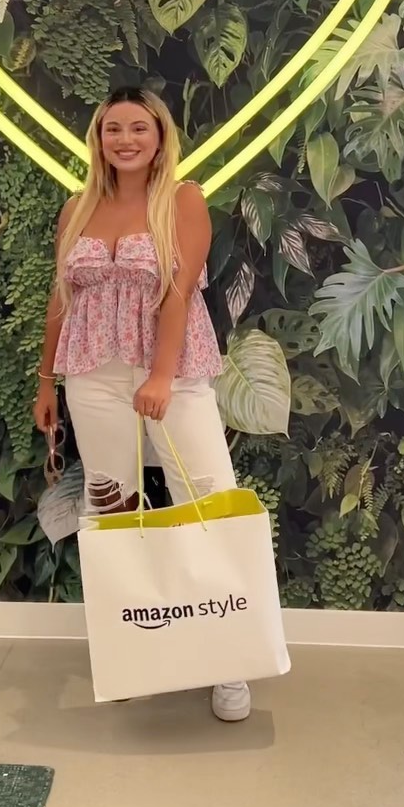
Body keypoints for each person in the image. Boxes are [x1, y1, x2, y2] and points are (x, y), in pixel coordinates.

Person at [34, 86, 251, 723]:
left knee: (208, 499)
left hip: (172, 373)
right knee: (112, 507)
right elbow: (61, 297)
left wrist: (159, 375)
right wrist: (46, 382)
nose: (125, 139)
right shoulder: (77, 207)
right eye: (113, 129)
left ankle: (230, 661)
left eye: (138, 128)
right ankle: (130, 648)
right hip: (92, 375)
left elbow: (179, 290)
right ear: (98, 139)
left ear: (159, 138)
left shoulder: (182, 199)